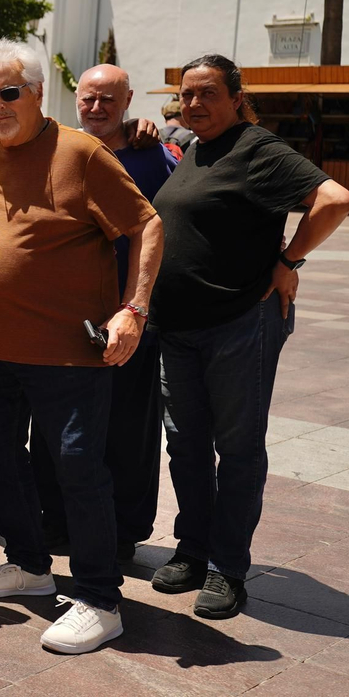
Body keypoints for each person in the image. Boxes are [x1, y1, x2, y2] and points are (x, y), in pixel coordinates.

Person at [0, 39, 163, 655]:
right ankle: (29, 564)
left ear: (39, 92)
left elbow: (147, 224)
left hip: (68, 355)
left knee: (78, 470)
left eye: (8, 92)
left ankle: (101, 597)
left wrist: (134, 309)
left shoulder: (82, 151)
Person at [150, 54, 349, 619]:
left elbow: (334, 199)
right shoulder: (193, 149)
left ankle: (227, 568)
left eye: (207, 93)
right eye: (186, 95)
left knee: (235, 449)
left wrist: (289, 261)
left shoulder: (256, 148)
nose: (193, 104)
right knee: (186, 445)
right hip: (181, 329)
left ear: (237, 97)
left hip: (238, 324)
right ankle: (192, 548)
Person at [31, 65, 179, 561]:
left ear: (129, 99)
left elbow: (168, 228)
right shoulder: (54, 148)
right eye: (89, 98)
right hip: (64, 318)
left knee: (129, 427)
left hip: (130, 315)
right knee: (56, 425)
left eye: (108, 100)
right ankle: (55, 519)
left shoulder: (155, 156)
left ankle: (122, 531)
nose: (97, 107)